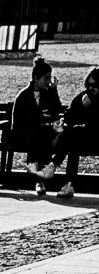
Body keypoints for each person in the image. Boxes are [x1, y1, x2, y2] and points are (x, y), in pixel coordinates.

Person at [8, 55, 63, 196]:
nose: (49, 81)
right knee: (42, 135)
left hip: (40, 134)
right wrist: (43, 119)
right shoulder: (24, 95)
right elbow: (26, 120)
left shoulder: (47, 93)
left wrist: (54, 90)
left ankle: (38, 175)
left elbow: (57, 111)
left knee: (44, 135)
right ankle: (40, 179)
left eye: (50, 78)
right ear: (36, 78)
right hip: (23, 135)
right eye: (46, 78)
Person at [50, 65, 99, 201]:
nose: (90, 88)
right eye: (88, 85)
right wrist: (82, 108)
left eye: (94, 85)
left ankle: (54, 165)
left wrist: (91, 108)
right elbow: (69, 117)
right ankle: (69, 184)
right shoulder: (83, 97)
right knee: (73, 140)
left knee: (73, 135)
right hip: (87, 139)